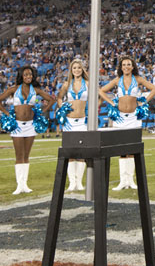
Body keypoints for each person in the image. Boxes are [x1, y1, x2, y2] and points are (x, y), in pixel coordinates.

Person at [99, 55, 155, 190]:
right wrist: (111, 102)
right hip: (120, 118)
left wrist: (144, 101)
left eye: (128, 65)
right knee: (121, 149)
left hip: (133, 117)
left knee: (131, 148)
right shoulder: (117, 80)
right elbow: (101, 91)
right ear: (121, 67)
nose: (126, 67)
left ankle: (130, 180)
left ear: (132, 67)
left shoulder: (138, 79)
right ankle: (122, 181)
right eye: (124, 65)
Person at [0, 65, 55, 195]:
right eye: (26, 75)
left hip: (30, 125)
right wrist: (7, 114)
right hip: (17, 125)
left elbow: (51, 100)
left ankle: (25, 184)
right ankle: (19, 185)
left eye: (30, 74)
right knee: (19, 156)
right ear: (21, 76)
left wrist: (42, 112)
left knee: (26, 155)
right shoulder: (14, 89)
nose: (28, 77)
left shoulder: (35, 90)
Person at [56, 58, 89, 191]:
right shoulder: (66, 84)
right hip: (69, 122)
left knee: (81, 152)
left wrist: (93, 110)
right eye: (74, 68)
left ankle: (79, 182)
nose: (77, 70)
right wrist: (62, 109)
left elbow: (98, 97)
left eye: (79, 68)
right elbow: (59, 98)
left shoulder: (88, 83)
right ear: (71, 70)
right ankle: (72, 182)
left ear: (82, 69)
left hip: (82, 121)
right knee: (70, 152)